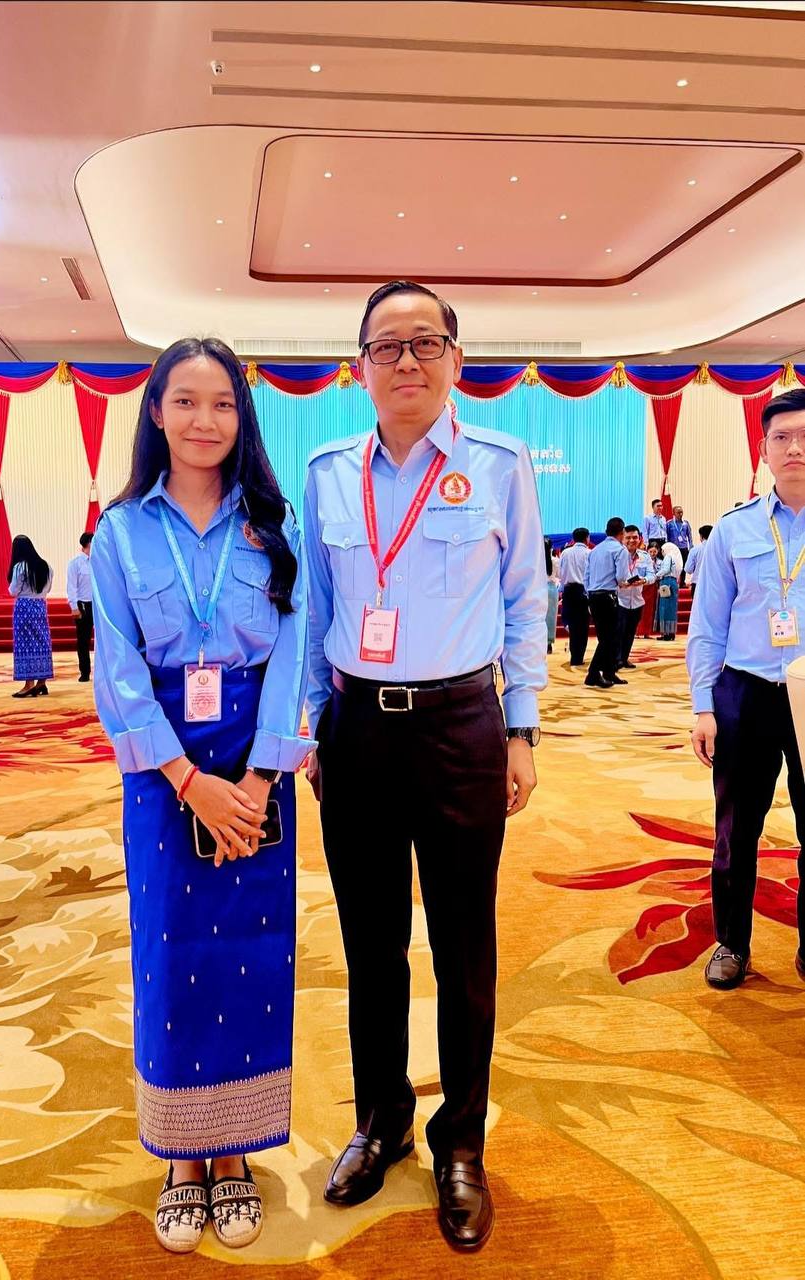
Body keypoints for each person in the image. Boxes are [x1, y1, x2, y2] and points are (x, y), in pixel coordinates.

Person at [304, 280, 546, 1251]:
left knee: (462, 947)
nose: (406, 360)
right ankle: (381, 1119)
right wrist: (315, 726)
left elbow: (525, 600)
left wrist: (521, 728)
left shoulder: (499, 463)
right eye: (386, 345)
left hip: (460, 727)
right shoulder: (327, 471)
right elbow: (316, 611)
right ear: (358, 366)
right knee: (370, 944)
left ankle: (460, 1142)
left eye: (424, 343)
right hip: (357, 730)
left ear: (455, 358)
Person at [90, 337, 311, 1255]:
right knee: (170, 948)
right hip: (163, 768)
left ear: (241, 417)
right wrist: (186, 780)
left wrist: (257, 778)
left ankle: (236, 1152)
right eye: (184, 401)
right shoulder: (120, 531)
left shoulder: (271, 522)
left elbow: (295, 652)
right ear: (155, 412)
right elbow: (116, 668)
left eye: (222, 403)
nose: (203, 420)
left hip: (254, 761)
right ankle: (183, 1158)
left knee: (252, 951)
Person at [687, 387, 805, 990]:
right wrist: (703, 706)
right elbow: (708, 626)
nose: (794, 448)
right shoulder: (734, 530)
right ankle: (731, 942)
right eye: (782, 437)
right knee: (736, 827)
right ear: (763, 450)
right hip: (747, 691)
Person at [583, 516, 633, 689]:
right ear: (622, 532)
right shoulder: (620, 550)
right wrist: (627, 582)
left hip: (593, 596)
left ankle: (609, 671)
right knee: (609, 637)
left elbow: (586, 576)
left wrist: (589, 593)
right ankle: (593, 673)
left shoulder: (595, 550)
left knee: (605, 636)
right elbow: (621, 577)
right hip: (608, 596)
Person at [8, 535, 53, 697]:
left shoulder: (20, 567)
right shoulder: (46, 566)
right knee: (42, 641)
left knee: (25, 644)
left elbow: (13, 591)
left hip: (24, 607)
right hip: (40, 606)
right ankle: (42, 682)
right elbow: (48, 589)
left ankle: (29, 684)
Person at [617, 525, 654, 670]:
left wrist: (644, 580)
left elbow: (652, 575)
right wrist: (621, 583)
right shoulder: (618, 555)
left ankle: (624, 658)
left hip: (637, 600)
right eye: (628, 538)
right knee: (619, 631)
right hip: (620, 599)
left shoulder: (645, 556)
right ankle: (616, 659)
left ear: (640, 539)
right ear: (622, 538)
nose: (631, 540)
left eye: (635, 537)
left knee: (630, 632)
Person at [558, 527, 591, 666]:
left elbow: (561, 573)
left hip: (569, 591)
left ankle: (574, 656)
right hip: (583, 591)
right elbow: (590, 575)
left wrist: (561, 590)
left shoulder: (565, 553)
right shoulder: (589, 553)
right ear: (587, 538)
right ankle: (579, 656)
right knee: (583, 626)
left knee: (572, 625)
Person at [66, 532, 94, 682]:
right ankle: (85, 671)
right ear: (87, 544)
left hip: (98, 605)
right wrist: (74, 607)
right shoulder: (75, 563)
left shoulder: (99, 561)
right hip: (83, 605)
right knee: (83, 640)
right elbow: (71, 587)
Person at [655, 541, 682, 641]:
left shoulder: (668, 557)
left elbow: (666, 569)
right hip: (673, 582)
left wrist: (656, 575)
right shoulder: (676, 559)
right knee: (672, 608)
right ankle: (671, 633)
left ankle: (666, 633)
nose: (662, 552)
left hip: (666, 582)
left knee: (665, 608)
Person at [667, 505, 693, 584]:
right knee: (674, 565)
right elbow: (667, 536)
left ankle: (682, 581)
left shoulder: (686, 523)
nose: (680, 514)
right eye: (678, 512)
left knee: (684, 564)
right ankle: (673, 581)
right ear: (673, 513)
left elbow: (689, 535)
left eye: (681, 512)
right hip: (674, 548)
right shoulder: (669, 524)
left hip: (684, 547)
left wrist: (691, 546)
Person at [544, 538, 560, 655]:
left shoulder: (536, 561)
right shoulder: (555, 561)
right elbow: (559, 575)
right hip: (551, 589)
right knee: (550, 617)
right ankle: (548, 643)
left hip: (539, 589)